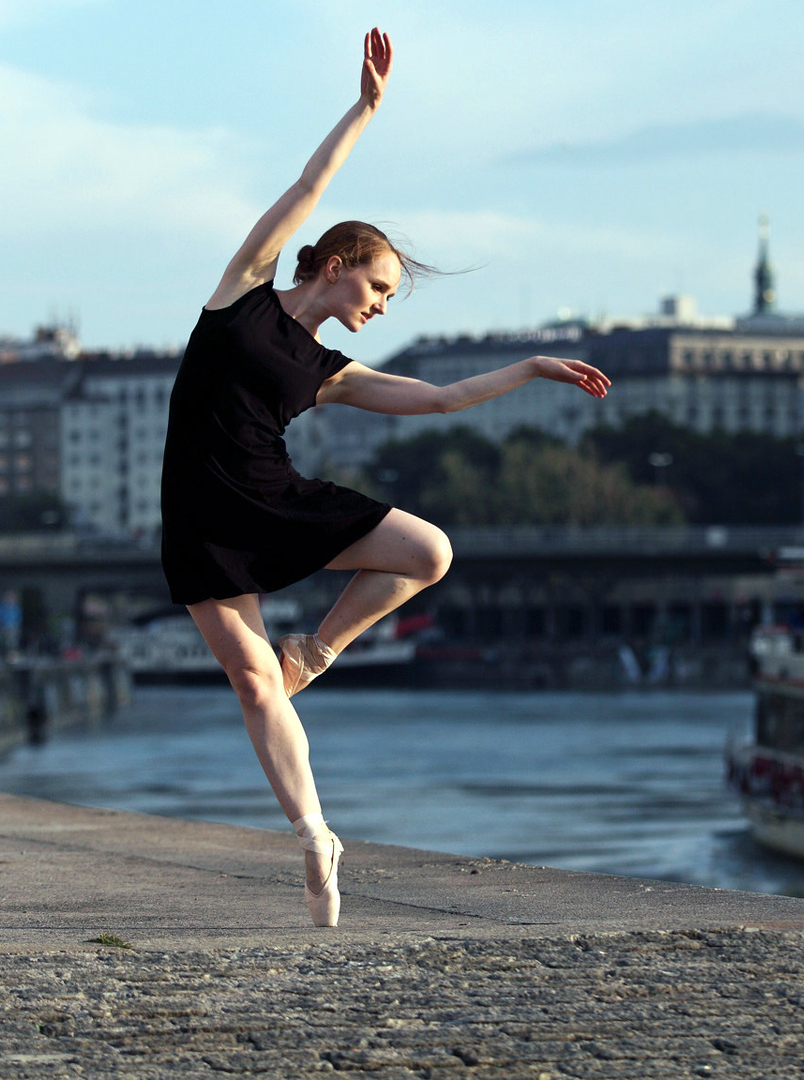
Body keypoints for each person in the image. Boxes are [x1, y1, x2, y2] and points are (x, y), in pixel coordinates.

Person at [159, 28, 611, 929]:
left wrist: (527, 368)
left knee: (426, 550)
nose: (379, 306)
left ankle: (315, 653)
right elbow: (309, 189)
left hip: (276, 498)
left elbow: (440, 398)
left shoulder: (329, 373)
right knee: (251, 687)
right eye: (379, 288)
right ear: (336, 265)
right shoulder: (239, 296)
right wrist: (364, 110)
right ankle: (316, 837)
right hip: (201, 514)